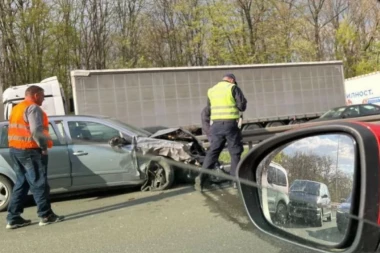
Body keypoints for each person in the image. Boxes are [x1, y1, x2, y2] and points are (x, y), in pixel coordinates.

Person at [6, 85, 64, 229]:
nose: (43, 100)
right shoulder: (33, 108)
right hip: (30, 150)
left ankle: (13, 218)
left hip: (16, 149)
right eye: (43, 96)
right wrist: (43, 148)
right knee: (39, 183)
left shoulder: (16, 108)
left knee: (22, 183)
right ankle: (46, 215)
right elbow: (36, 131)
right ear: (36, 95)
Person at [195, 73, 247, 191]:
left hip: (216, 126)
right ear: (232, 80)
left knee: (213, 152)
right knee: (235, 152)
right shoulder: (233, 88)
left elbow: (209, 107)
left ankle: (201, 178)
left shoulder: (211, 90)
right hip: (230, 125)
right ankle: (235, 181)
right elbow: (242, 106)